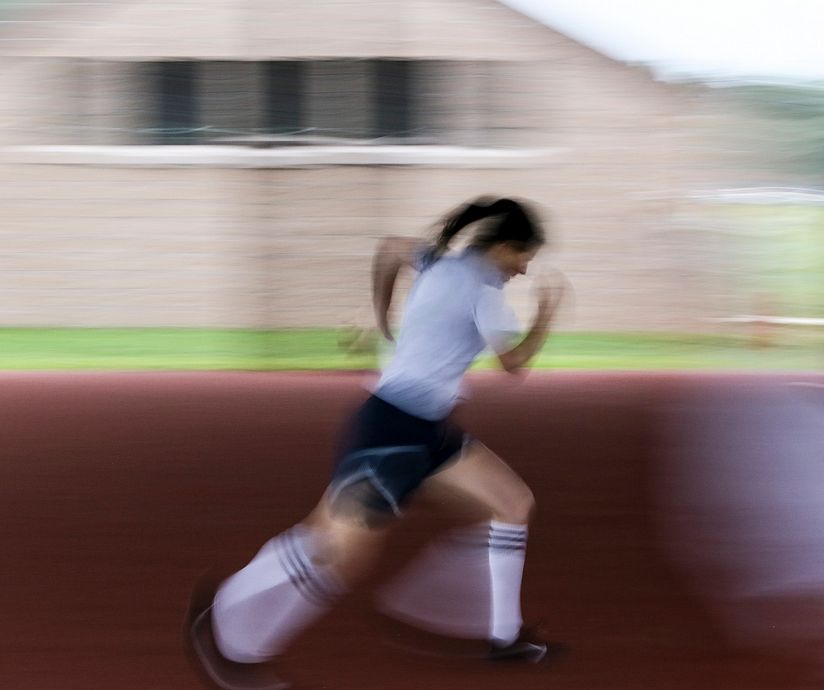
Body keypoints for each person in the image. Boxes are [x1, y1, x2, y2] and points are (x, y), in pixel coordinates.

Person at [186, 197, 566, 690]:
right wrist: (547, 314)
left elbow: (390, 250)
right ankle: (228, 629)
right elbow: (515, 366)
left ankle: (503, 637)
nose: (524, 269)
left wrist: (382, 313)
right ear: (505, 246)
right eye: (524, 257)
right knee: (335, 552)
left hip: (425, 432)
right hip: (390, 433)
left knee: (512, 503)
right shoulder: (482, 291)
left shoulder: (438, 261)